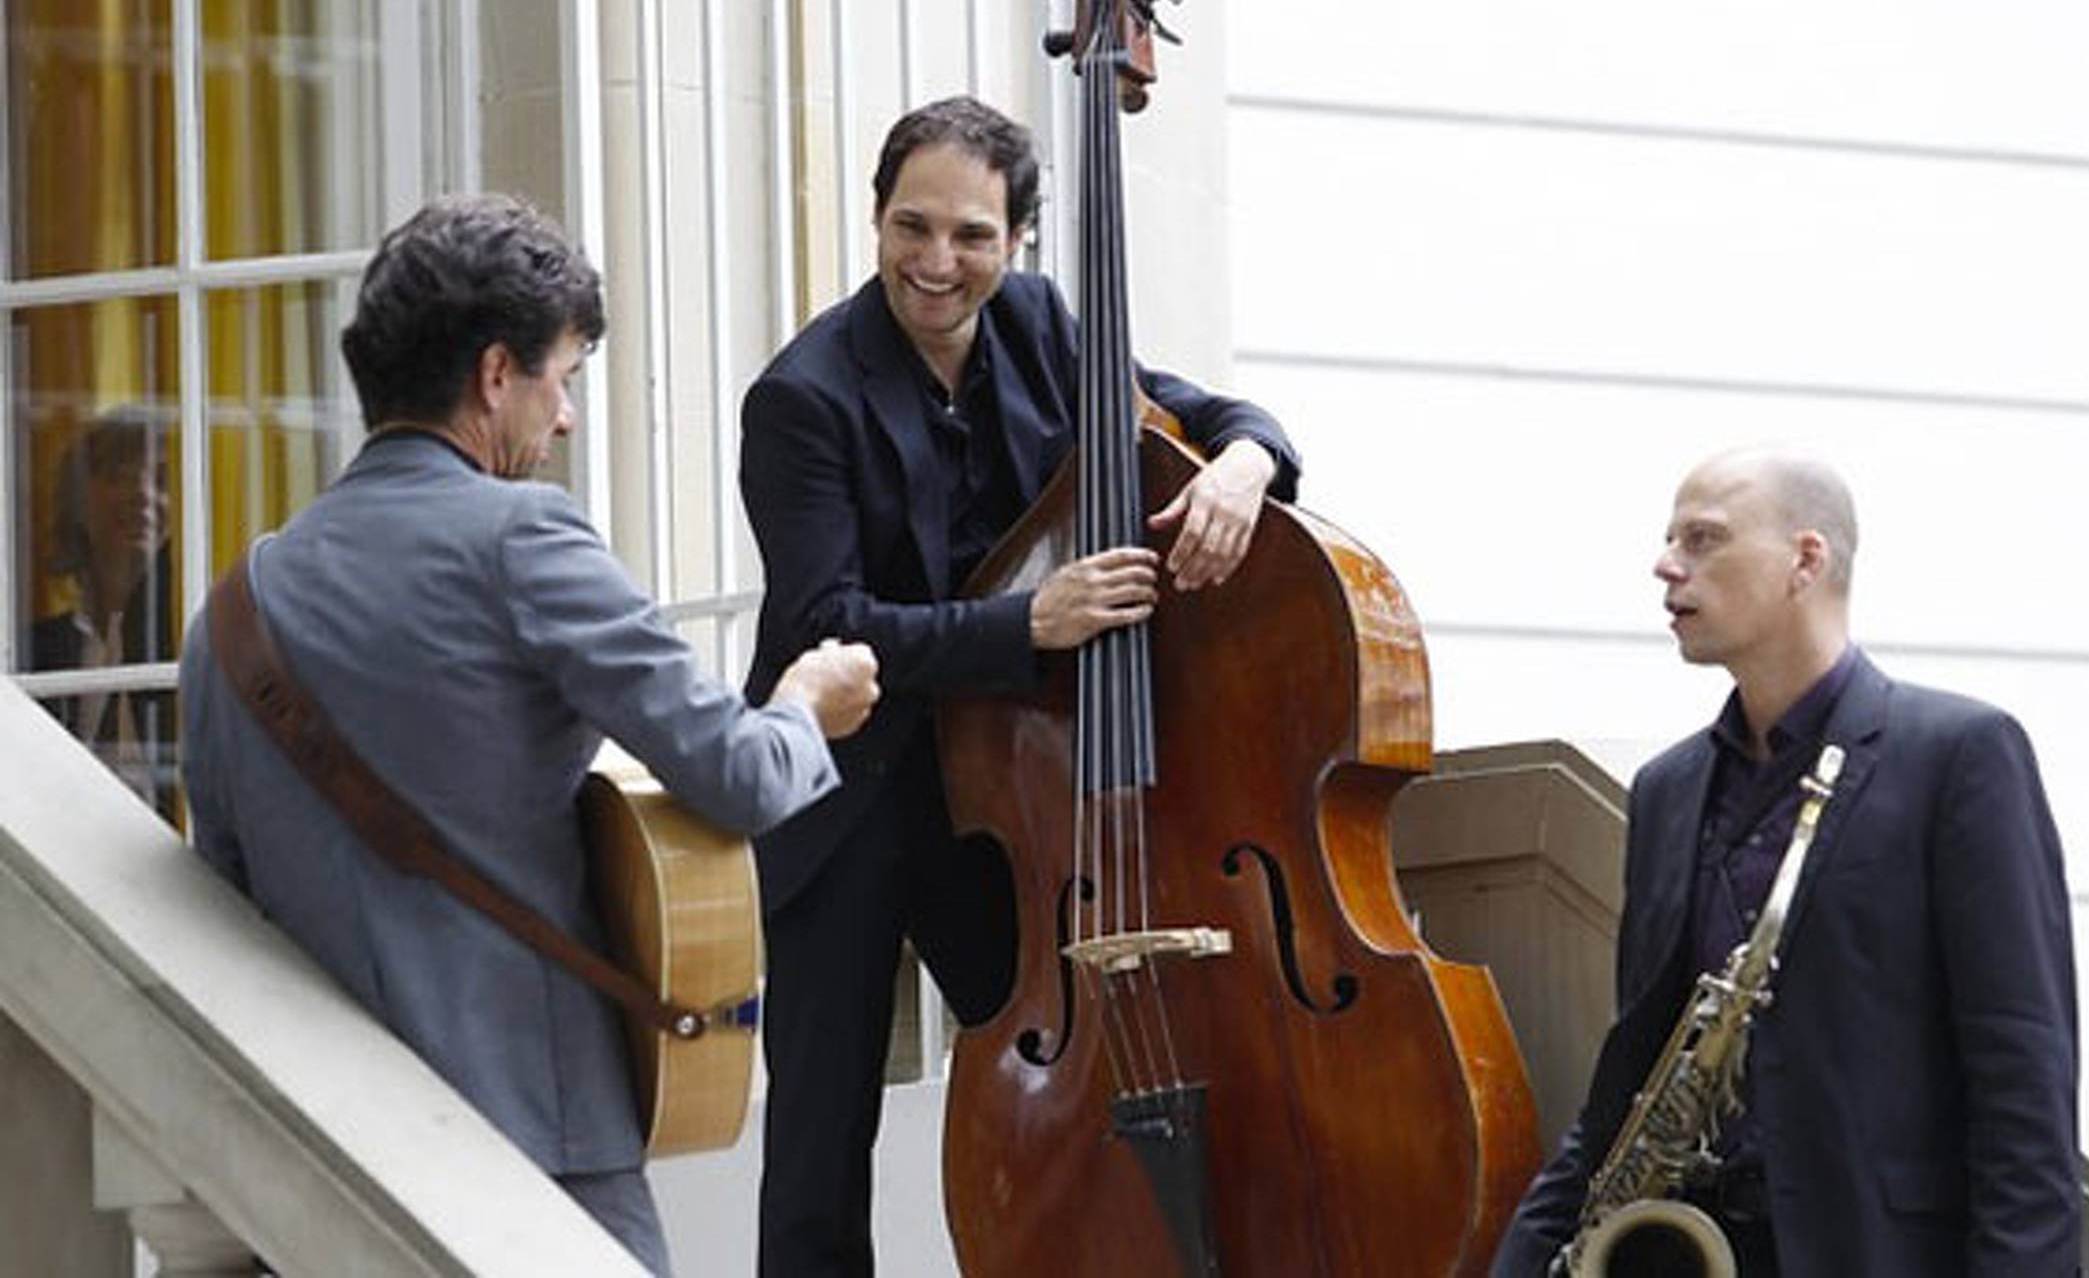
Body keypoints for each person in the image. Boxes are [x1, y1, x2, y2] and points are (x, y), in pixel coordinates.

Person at [181, 194, 880, 1274]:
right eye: (564, 377)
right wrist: (806, 705)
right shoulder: (523, 538)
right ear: (496, 374)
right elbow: (740, 777)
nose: (566, 419)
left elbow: (221, 898)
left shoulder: (233, 609)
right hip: (531, 1148)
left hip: (322, 1158)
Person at [738, 95, 1302, 1275]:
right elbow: (828, 621)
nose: (936, 262)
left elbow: (1211, 414)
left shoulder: (1042, 326)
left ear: (1019, 239)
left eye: (971, 236)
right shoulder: (801, 398)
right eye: (912, 226)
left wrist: (1246, 463)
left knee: (1077, 1084)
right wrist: (1026, 625)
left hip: (1009, 801)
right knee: (818, 1147)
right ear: (877, 218)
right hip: (852, 795)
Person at [1492, 447, 2080, 1277]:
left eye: (1702, 539)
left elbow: (2022, 1078)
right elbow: (1627, 1086)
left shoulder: (1959, 755)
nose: (1666, 565)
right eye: (1669, 540)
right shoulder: (1667, 789)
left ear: (1805, 560)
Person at [30, 404, 179, 815]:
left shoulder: (191, 645)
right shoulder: (30, 655)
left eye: (161, 481)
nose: (143, 494)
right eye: (119, 476)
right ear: (77, 502)